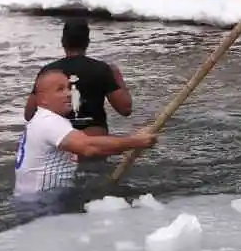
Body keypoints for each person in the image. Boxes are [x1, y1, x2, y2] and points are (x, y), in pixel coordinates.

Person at [15, 69, 157, 206]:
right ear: (43, 99)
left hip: (36, 198)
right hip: (42, 202)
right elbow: (90, 147)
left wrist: (129, 144)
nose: (69, 93)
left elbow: (92, 146)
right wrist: (136, 141)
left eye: (69, 88)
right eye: (60, 89)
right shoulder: (49, 122)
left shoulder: (43, 120)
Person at [23, 17, 132, 133]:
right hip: (96, 143)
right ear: (87, 42)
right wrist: (117, 76)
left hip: (61, 142)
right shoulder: (101, 69)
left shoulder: (48, 72)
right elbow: (125, 109)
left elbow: (30, 114)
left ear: (63, 42)